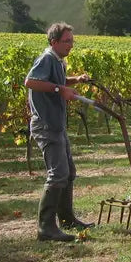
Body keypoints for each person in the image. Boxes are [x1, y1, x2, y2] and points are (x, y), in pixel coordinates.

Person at [24, 22, 94, 242]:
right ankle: (45, 227)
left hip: (56, 124)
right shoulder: (46, 58)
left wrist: (74, 80)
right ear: (54, 42)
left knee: (69, 172)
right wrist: (59, 89)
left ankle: (66, 218)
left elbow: (57, 81)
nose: (71, 45)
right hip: (45, 124)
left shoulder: (58, 61)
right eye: (67, 41)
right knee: (58, 173)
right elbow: (31, 82)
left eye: (72, 41)